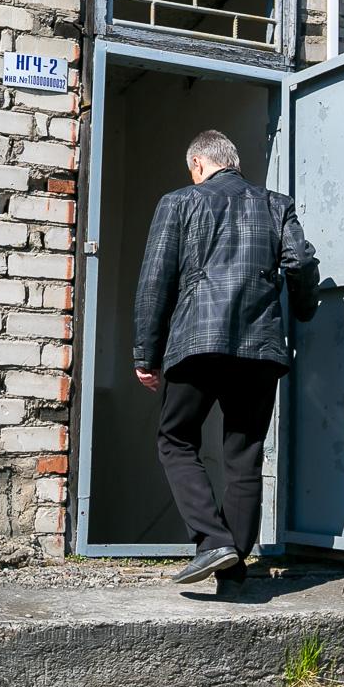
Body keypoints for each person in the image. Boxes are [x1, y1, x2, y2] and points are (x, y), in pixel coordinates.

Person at [133, 130, 319, 586]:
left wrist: (146, 353)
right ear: (232, 162)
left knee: (175, 439)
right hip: (260, 351)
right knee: (244, 456)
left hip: (197, 342)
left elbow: (155, 281)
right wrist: (303, 308)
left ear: (199, 164)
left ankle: (213, 541)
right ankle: (233, 574)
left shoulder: (178, 202)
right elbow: (300, 264)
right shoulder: (277, 204)